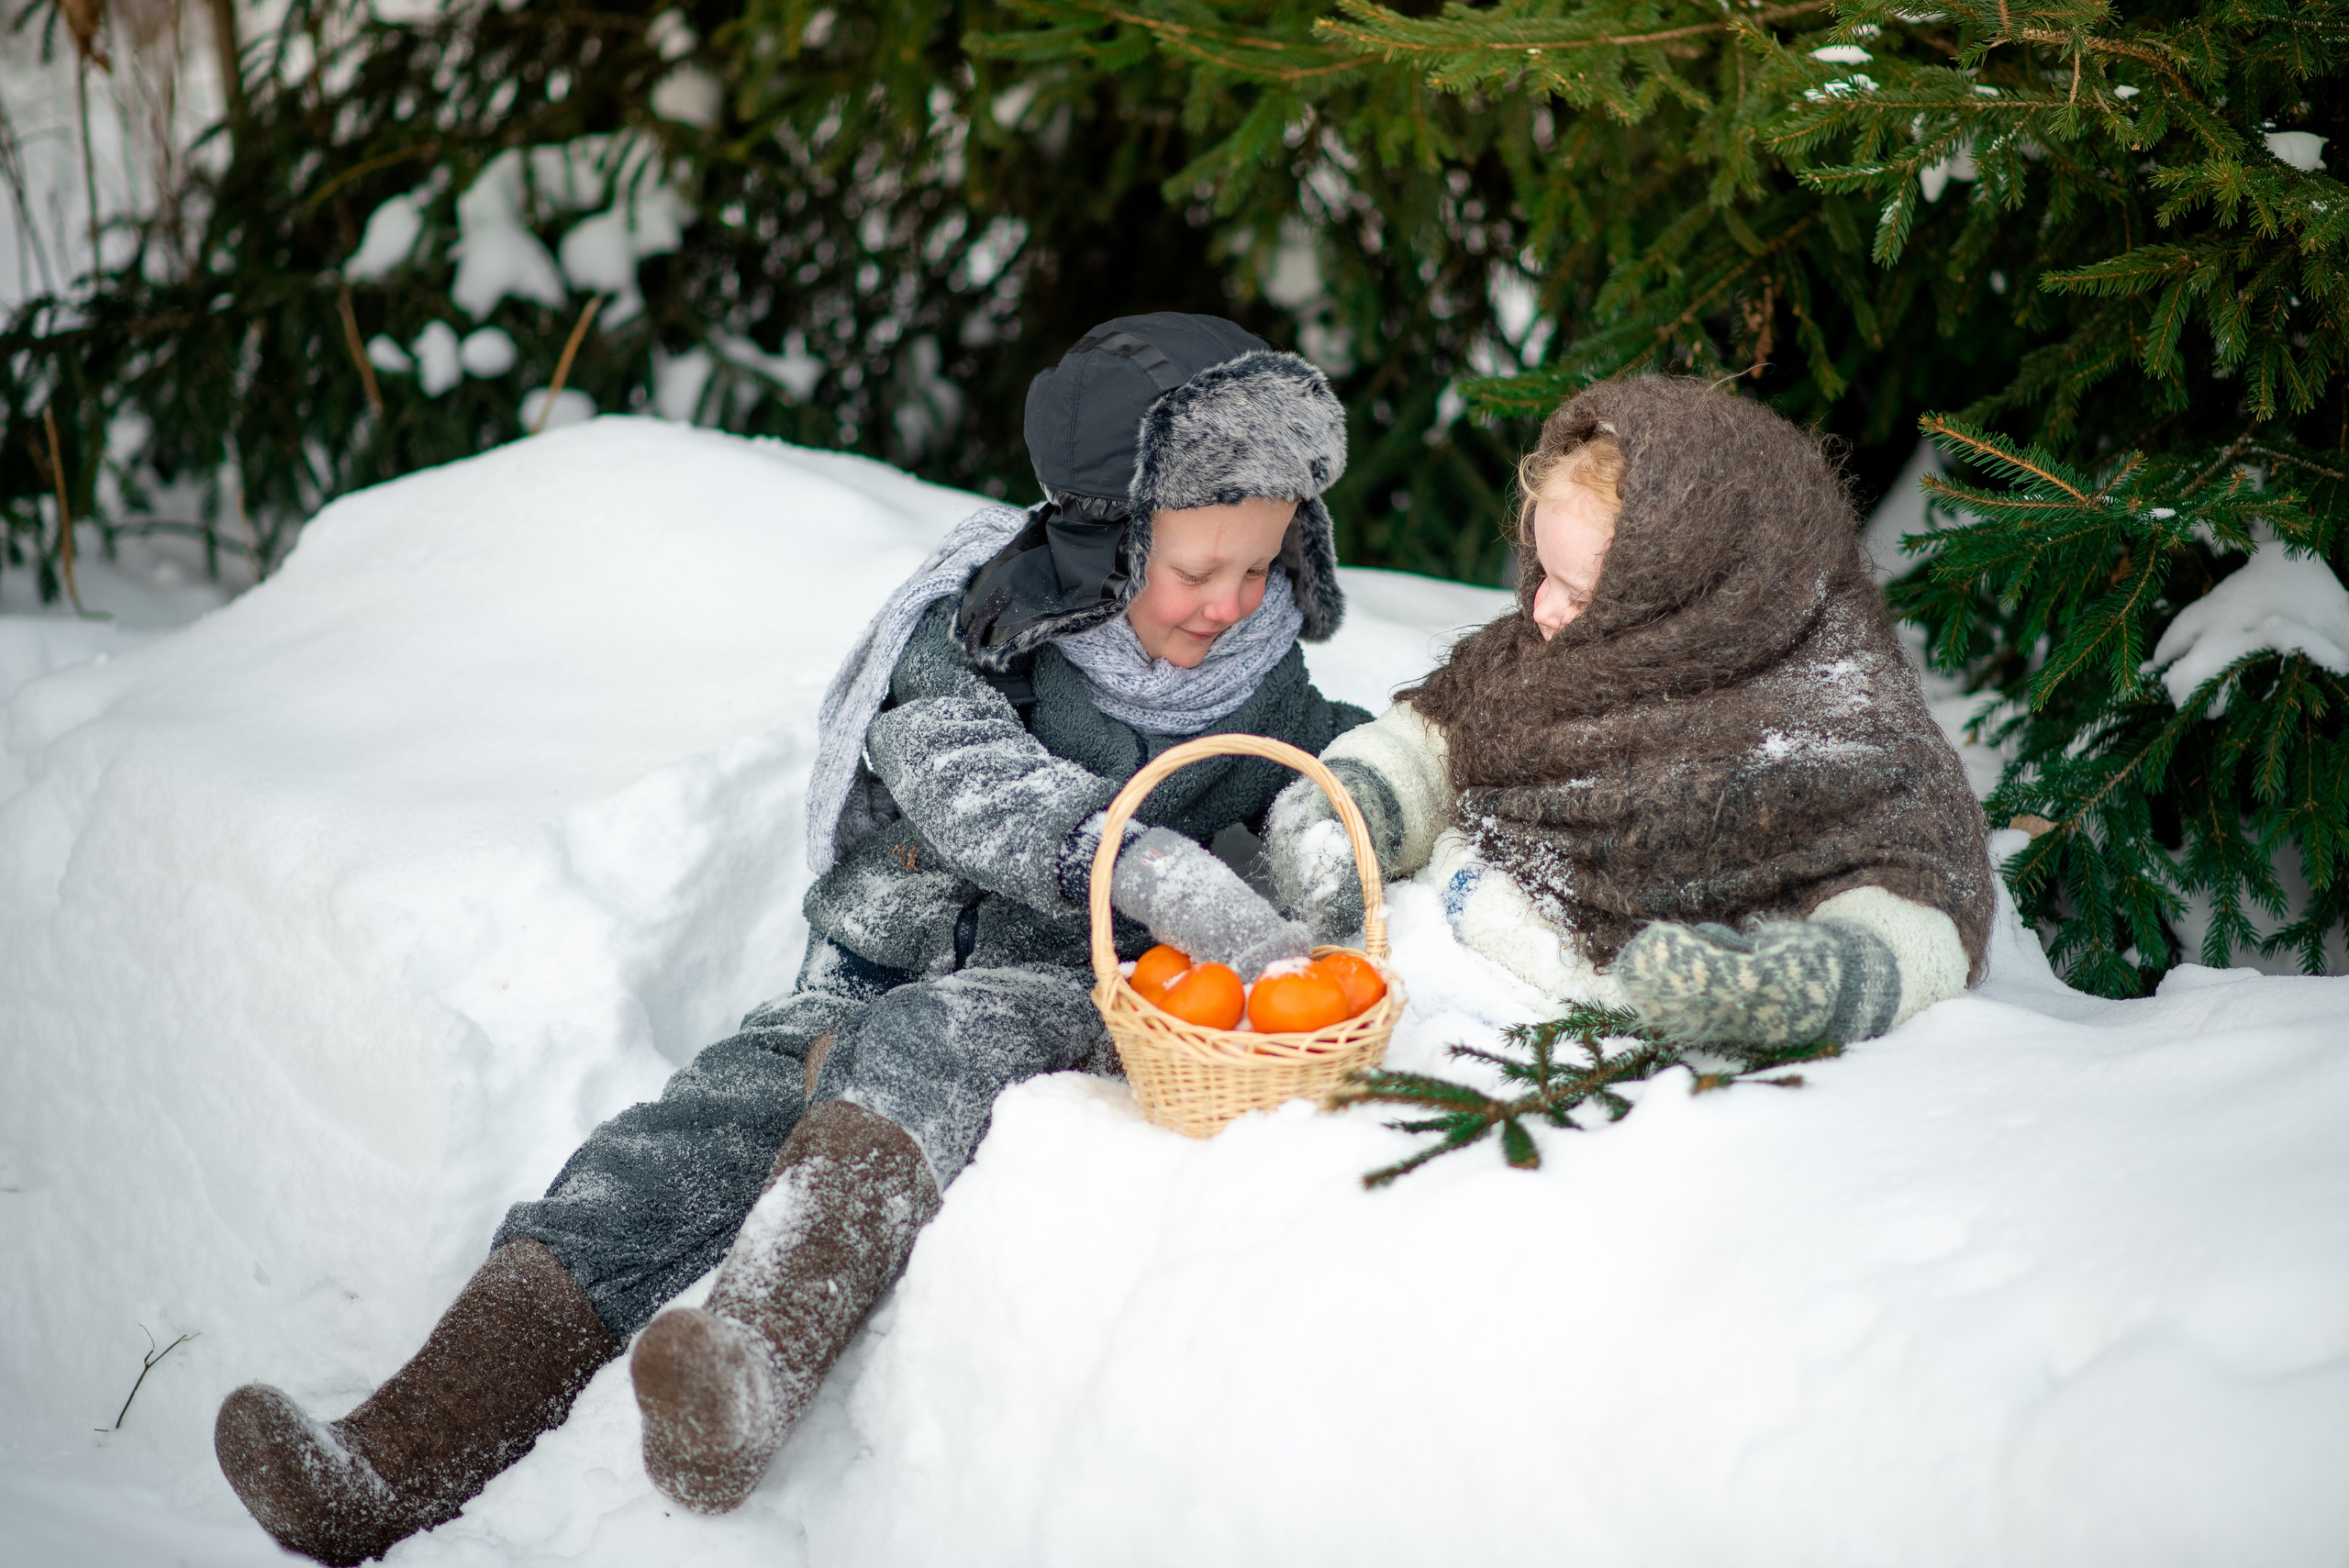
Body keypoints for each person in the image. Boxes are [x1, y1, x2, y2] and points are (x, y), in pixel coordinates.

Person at [213, 314, 1369, 1563]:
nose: (1232, 604)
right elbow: (957, 767)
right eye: (1198, 569)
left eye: (1259, 569)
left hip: (1047, 996)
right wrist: (1147, 863)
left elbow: (1331, 772)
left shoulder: (1267, 685)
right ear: (1105, 539)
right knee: (671, 1143)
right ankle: (389, 1457)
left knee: (932, 1038)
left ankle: (750, 1367)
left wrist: (1331, 818)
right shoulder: (982, 630)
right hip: (865, 971)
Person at [1265, 375, 1994, 1048]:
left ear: (1685, 606)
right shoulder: (1529, 658)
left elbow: (1923, 890)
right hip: (1482, 995)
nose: (1542, 608)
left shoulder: (1830, 716)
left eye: (1581, 595)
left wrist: (1806, 982)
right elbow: (1431, 742)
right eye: (1540, 571)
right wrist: (1348, 812)